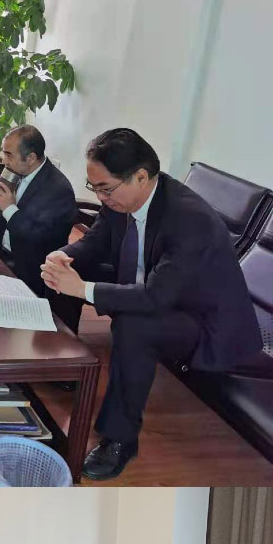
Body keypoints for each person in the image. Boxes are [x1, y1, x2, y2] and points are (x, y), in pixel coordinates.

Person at [43, 124, 266, 476]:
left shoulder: (190, 219)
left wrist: (81, 288)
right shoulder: (121, 199)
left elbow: (156, 297)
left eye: (105, 188)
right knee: (66, 272)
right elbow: (96, 240)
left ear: (141, 177)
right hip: (155, 287)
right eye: (93, 187)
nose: (99, 197)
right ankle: (64, 368)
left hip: (203, 320)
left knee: (134, 326)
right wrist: (64, 256)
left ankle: (120, 440)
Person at [0, 122, 76, 295]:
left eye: (9, 155)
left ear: (31, 158)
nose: (4, 161)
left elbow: (37, 239)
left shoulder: (58, 191)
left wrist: (9, 209)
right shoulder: (15, 172)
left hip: (30, 270)